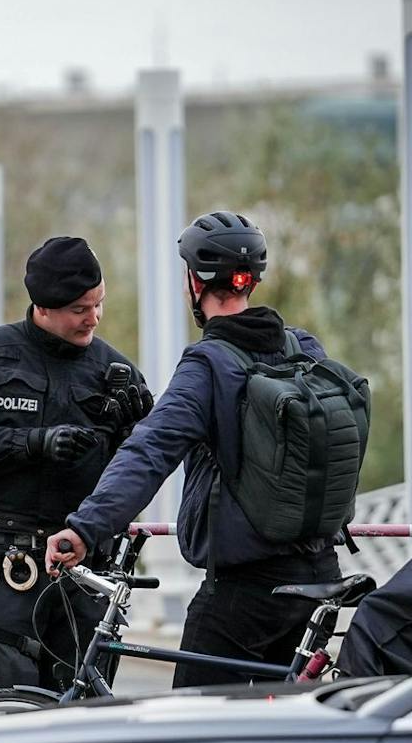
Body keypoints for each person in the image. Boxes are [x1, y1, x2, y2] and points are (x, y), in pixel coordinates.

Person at [46, 211, 347, 687]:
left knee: (190, 729)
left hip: (244, 589)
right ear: (252, 281)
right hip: (318, 569)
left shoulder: (209, 364)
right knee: (282, 726)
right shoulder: (305, 350)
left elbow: (150, 450)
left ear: (195, 282)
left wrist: (86, 527)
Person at [0, 236, 152, 695]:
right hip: (7, 569)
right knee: (0, 716)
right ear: (43, 308)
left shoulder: (117, 374)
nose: (93, 318)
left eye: (99, 304)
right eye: (79, 309)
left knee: (82, 723)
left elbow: (139, 474)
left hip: (87, 574)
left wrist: (133, 435)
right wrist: (31, 444)